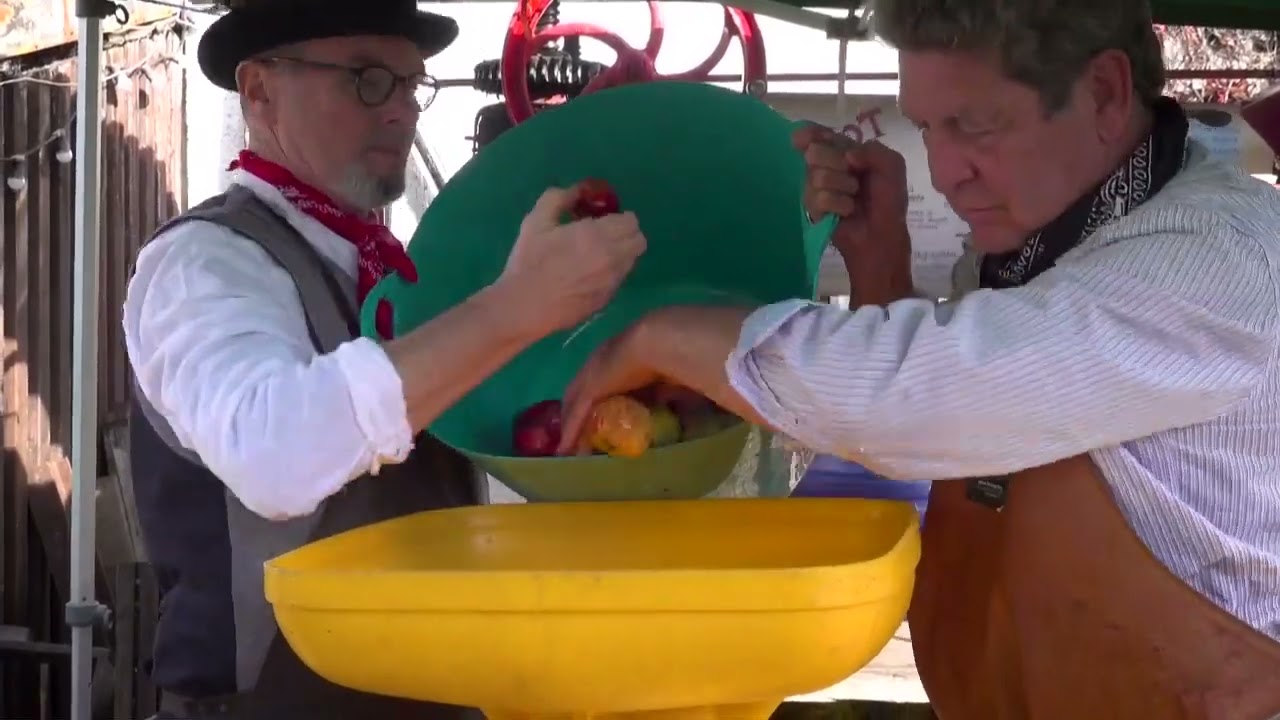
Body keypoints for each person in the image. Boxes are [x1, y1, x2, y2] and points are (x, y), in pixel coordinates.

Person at [558, 0, 1280, 715]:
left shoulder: (1214, 257)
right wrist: (881, 267)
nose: (944, 172)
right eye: (930, 127)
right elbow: (962, 440)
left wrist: (661, 336)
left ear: (1105, 92)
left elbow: (935, 394)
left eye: (974, 126)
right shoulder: (1046, 241)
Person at [122, 0, 645, 717]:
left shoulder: (383, 269)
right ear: (259, 90)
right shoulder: (204, 264)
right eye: (369, 79)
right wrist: (511, 308)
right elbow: (275, 455)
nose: (402, 111)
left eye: (411, 84)